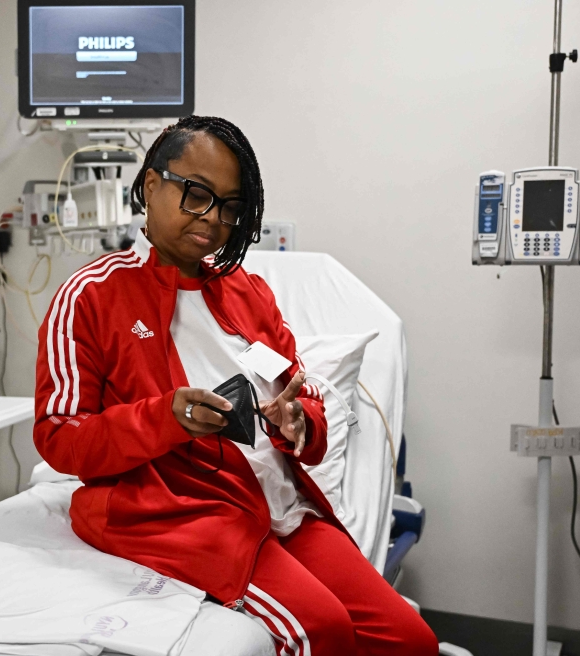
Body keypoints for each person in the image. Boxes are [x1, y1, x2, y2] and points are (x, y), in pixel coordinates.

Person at [34, 116, 437, 655]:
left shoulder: (248, 294)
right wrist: (167, 418)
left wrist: (300, 424)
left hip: (281, 509)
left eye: (229, 207)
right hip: (186, 513)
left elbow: (304, 396)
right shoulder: (91, 297)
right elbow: (60, 437)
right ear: (151, 185)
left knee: (410, 641)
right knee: (322, 630)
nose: (213, 220)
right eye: (197, 195)